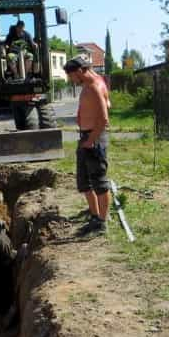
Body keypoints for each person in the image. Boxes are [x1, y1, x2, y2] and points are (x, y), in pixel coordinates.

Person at [65, 57, 111, 233]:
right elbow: (108, 104)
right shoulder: (92, 83)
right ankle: (94, 215)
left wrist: (91, 141)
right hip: (86, 137)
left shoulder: (94, 86)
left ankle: (101, 222)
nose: (71, 81)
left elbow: (104, 118)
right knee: (84, 182)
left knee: (99, 182)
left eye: (71, 77)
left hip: (94, 138)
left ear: (79, 71)